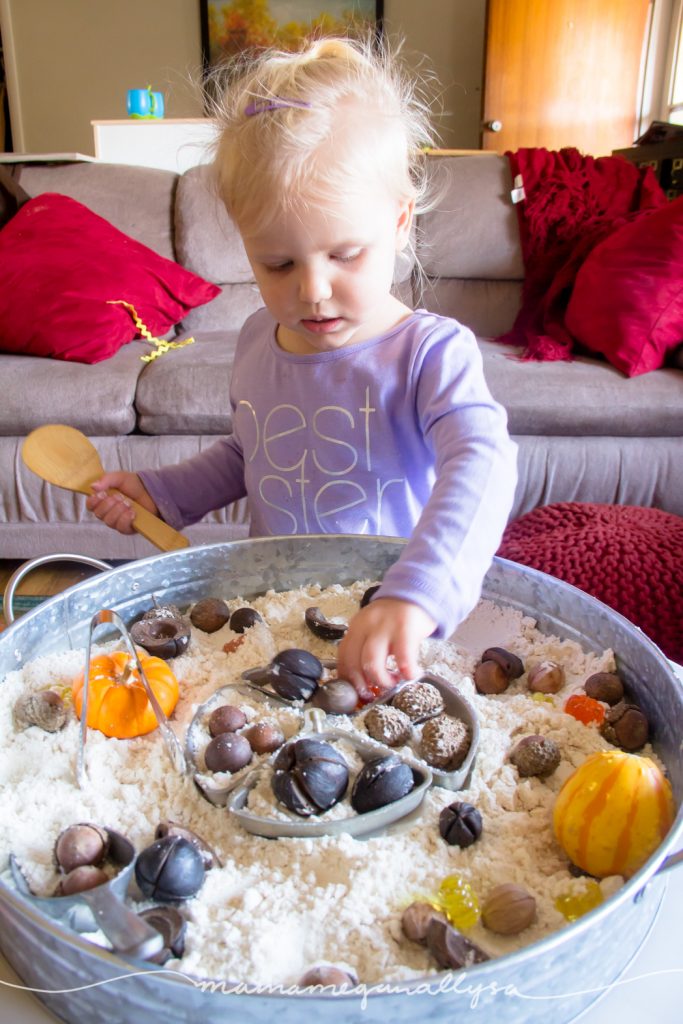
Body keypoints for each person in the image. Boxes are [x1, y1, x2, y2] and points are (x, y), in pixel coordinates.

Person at [87, 36, 518, 700]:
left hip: (393, 630)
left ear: (400, 222)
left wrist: (417, 593)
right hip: (278, 614)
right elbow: (249, 452)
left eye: (345, 254)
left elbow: (482, 463)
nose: (311, 291)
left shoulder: (430, 354)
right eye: (278, 264)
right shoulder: (262, 335)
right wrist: (162, 493)